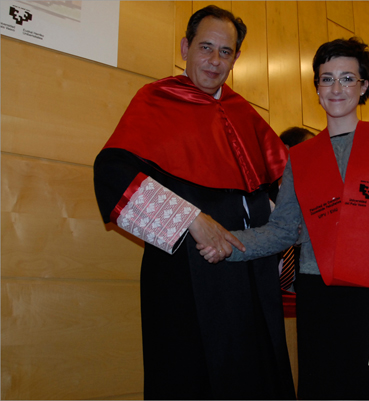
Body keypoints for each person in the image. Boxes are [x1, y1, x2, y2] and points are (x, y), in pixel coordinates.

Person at [200, 37, 369, 400]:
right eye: (327, 78)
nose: (336, 88)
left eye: (347, 79)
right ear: (317, 88)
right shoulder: (301, 158)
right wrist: (227, 244)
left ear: (363, 86)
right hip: (322, 296)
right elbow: (283, 230)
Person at [93, 5, 295, 400]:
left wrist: (271, 235)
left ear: (236, 58)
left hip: (250, 275)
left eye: (225, 52)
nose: (215, 60)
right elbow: (112, 175)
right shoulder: (155, 100)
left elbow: (283, 184)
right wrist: (190, 219)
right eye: (206, 47)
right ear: (186, 47)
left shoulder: (245, 114)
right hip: (186, 272)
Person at [275, 127, 315, 292]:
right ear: (286, 150)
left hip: (304, 283)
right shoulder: (260, 195)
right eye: (309, 150)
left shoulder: (315, 196)